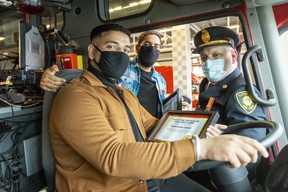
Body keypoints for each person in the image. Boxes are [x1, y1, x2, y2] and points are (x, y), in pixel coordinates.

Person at [49, 23, 268, 192]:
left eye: (124, 49)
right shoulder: (76, 96)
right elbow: (112, 156)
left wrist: (202, 132)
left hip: (147, 176)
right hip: (117, 185)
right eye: (111, 47)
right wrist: (201, 148)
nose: (119, 54)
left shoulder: (124, 94)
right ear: (92, 51)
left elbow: (158, 125)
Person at [185, 26, 268, 187]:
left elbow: (250, 147)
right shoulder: (208, 85)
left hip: (222, 175)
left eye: (216, 55)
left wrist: (218, 139)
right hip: (202, 159)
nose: (208, 63)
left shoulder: (239, 90)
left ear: (233, 55)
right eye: (204, 58)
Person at [40, 30, 166, 118]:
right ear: (138, 47)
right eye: (147, 44)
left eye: (156, 46)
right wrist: (52, 77)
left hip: (149, 128)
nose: (152, 49)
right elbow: (89, 80)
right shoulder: (120, 68)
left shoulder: (161, 80)